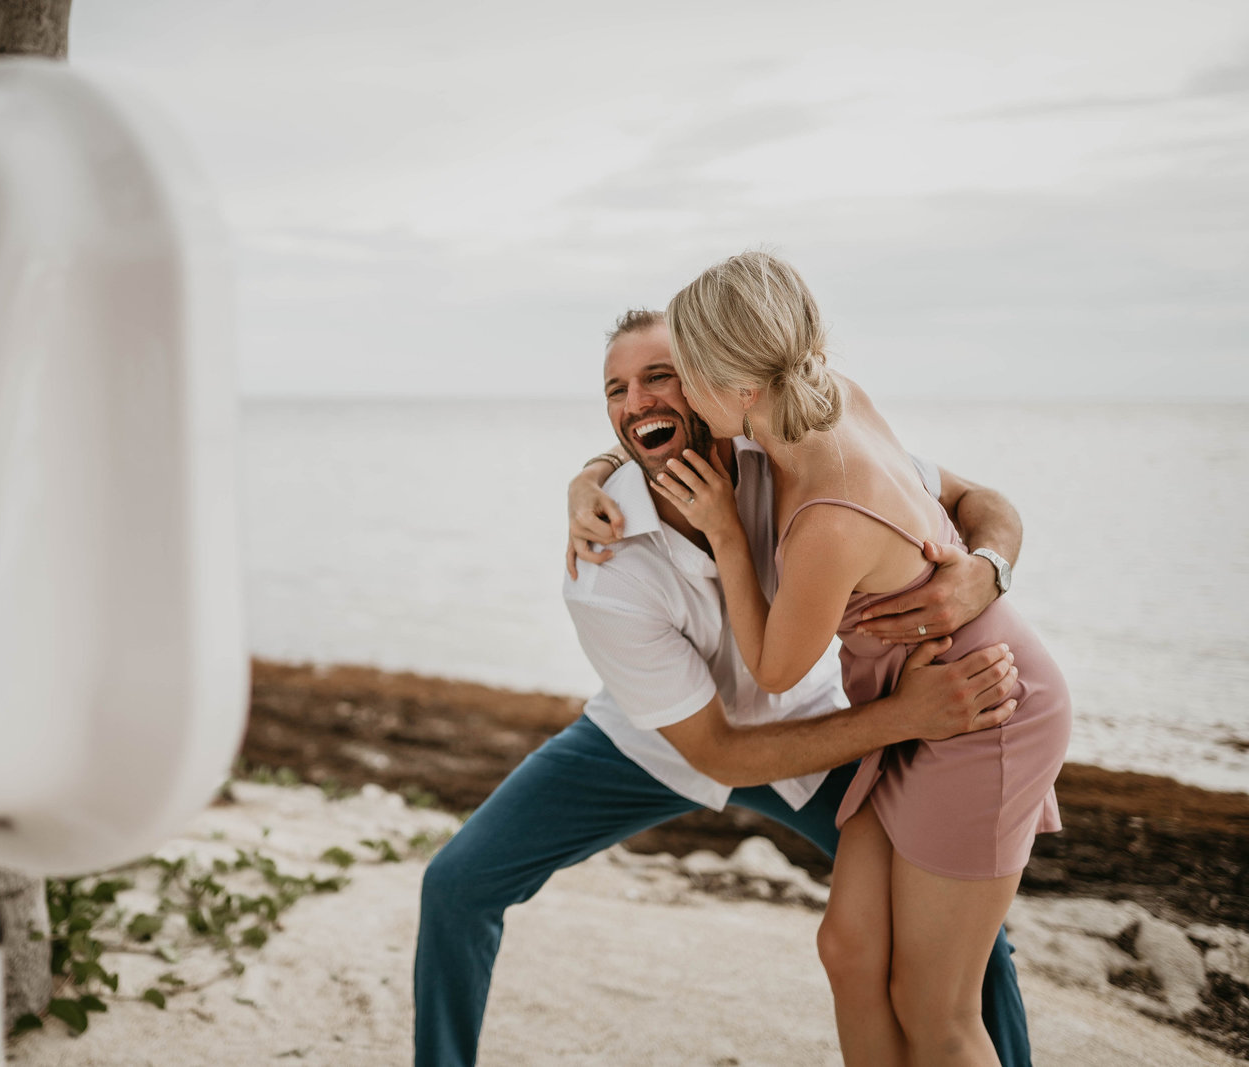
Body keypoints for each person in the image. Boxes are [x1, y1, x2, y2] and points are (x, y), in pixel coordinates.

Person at [413, 308, 1034, 1067]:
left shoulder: (796, 459)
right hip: (650, 742)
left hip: (806, 730)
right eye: (616, 388)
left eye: (659, 377)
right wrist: (906, 715)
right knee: (456, 885)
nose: (636, 399)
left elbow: (983, 502)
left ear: (711, 387)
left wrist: (986, 570)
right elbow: (717, 752)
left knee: (964, 932)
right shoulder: (603, 567)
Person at [648, 252, 1072, 1066]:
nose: (681, 394)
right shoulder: (830, 397)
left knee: (936, 1008)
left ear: (739, 388)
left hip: (981, 712)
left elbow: (773, 668)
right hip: (914, 707)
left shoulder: (827, 520)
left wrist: (731, 540)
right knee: (849, 949)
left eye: (688, 374)